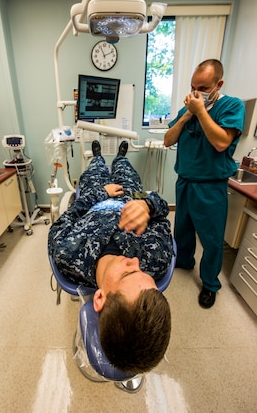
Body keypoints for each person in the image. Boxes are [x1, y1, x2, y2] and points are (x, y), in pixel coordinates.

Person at [48, 140, 174, 375]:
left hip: (94, 200)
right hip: (130, 196)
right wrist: (146, 205)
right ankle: (120, 157)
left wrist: (97, 194)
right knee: (125, 168)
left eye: (128, 272)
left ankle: (97, 157)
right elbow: (163, 211)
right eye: (145, 274)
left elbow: (65, 218)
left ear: (99, 298)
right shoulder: (156, 258)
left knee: (95, 169)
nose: (136, 262)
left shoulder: (68, 253)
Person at [164, 59, 245, 309]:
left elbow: (221, 143)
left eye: (203, 87)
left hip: (211, 186)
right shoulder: (189, 109)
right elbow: (168, 140)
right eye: (192, 86)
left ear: (218, 84)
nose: (196, 93)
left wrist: (200, 112)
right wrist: (187, 115)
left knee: (211, 240)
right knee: (183, 230)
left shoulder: (231, 106)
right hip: (186, 181)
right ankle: (184, 261)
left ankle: (210, 284)